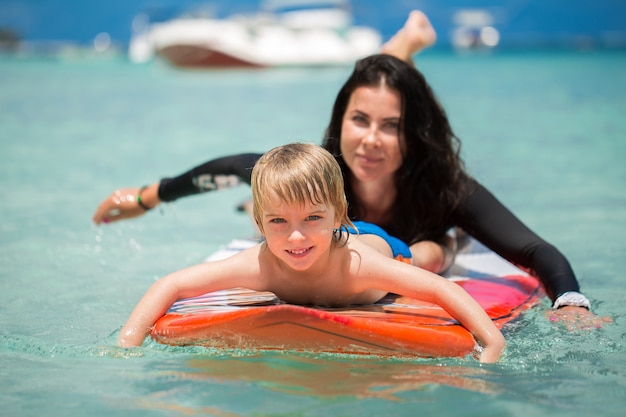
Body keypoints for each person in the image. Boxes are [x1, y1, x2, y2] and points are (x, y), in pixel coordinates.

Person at [94, 12, 610, 329]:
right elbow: (234, 167)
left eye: (393, 126)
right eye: (357, 120)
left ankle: (404, 46)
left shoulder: (445, 187)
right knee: (378, 84)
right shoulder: (322, 174)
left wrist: (570, 301)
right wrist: (148, 196)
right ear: (339, 122)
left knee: (431, 252)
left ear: (414, 135)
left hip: (414, 242)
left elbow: (535, 251)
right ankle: (400, 48)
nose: (369, 139)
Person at [117, 143, 506, 363]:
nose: (295, 238)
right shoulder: (260, 264)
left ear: (338, 213)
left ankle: (447, 237)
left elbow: (443, 291)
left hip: (377, 245)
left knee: (429, 258)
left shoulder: (362, 269)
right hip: (325, 231)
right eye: (277, 222)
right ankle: (284, 211)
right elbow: (172, 286)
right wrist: (127, 345)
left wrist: (491, 342)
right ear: (259, 226)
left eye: (312, 217)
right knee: (293, 218)